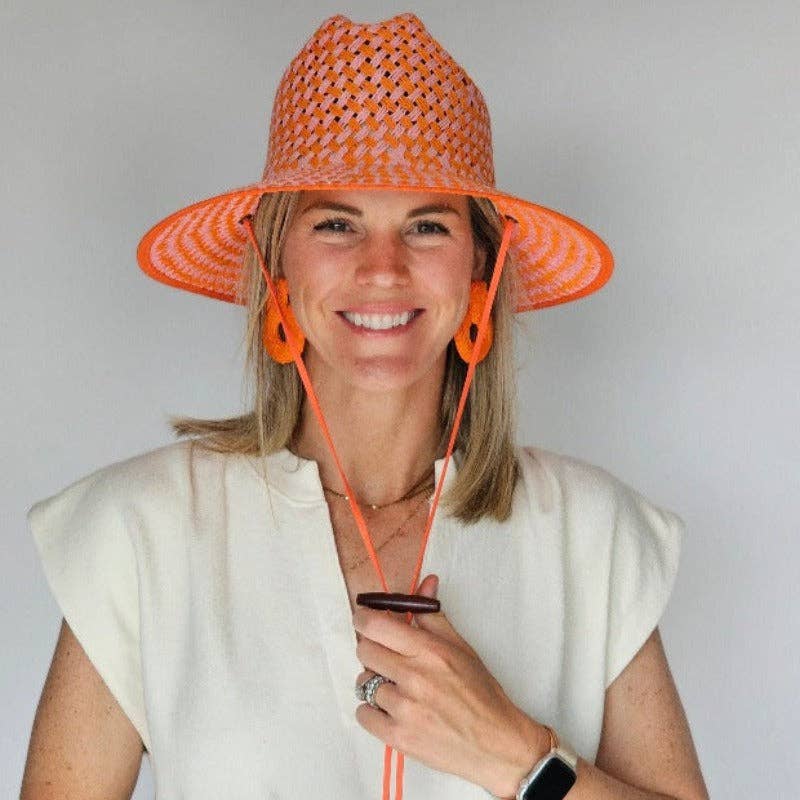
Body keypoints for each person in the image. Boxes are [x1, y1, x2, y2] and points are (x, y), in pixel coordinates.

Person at [21, 13, 709, 800]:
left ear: (481, 269)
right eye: (337, 223)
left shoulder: (595, 535)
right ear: (275, 263)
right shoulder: (137, 530)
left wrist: (518, 758)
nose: (382, 269)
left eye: (426, 224)